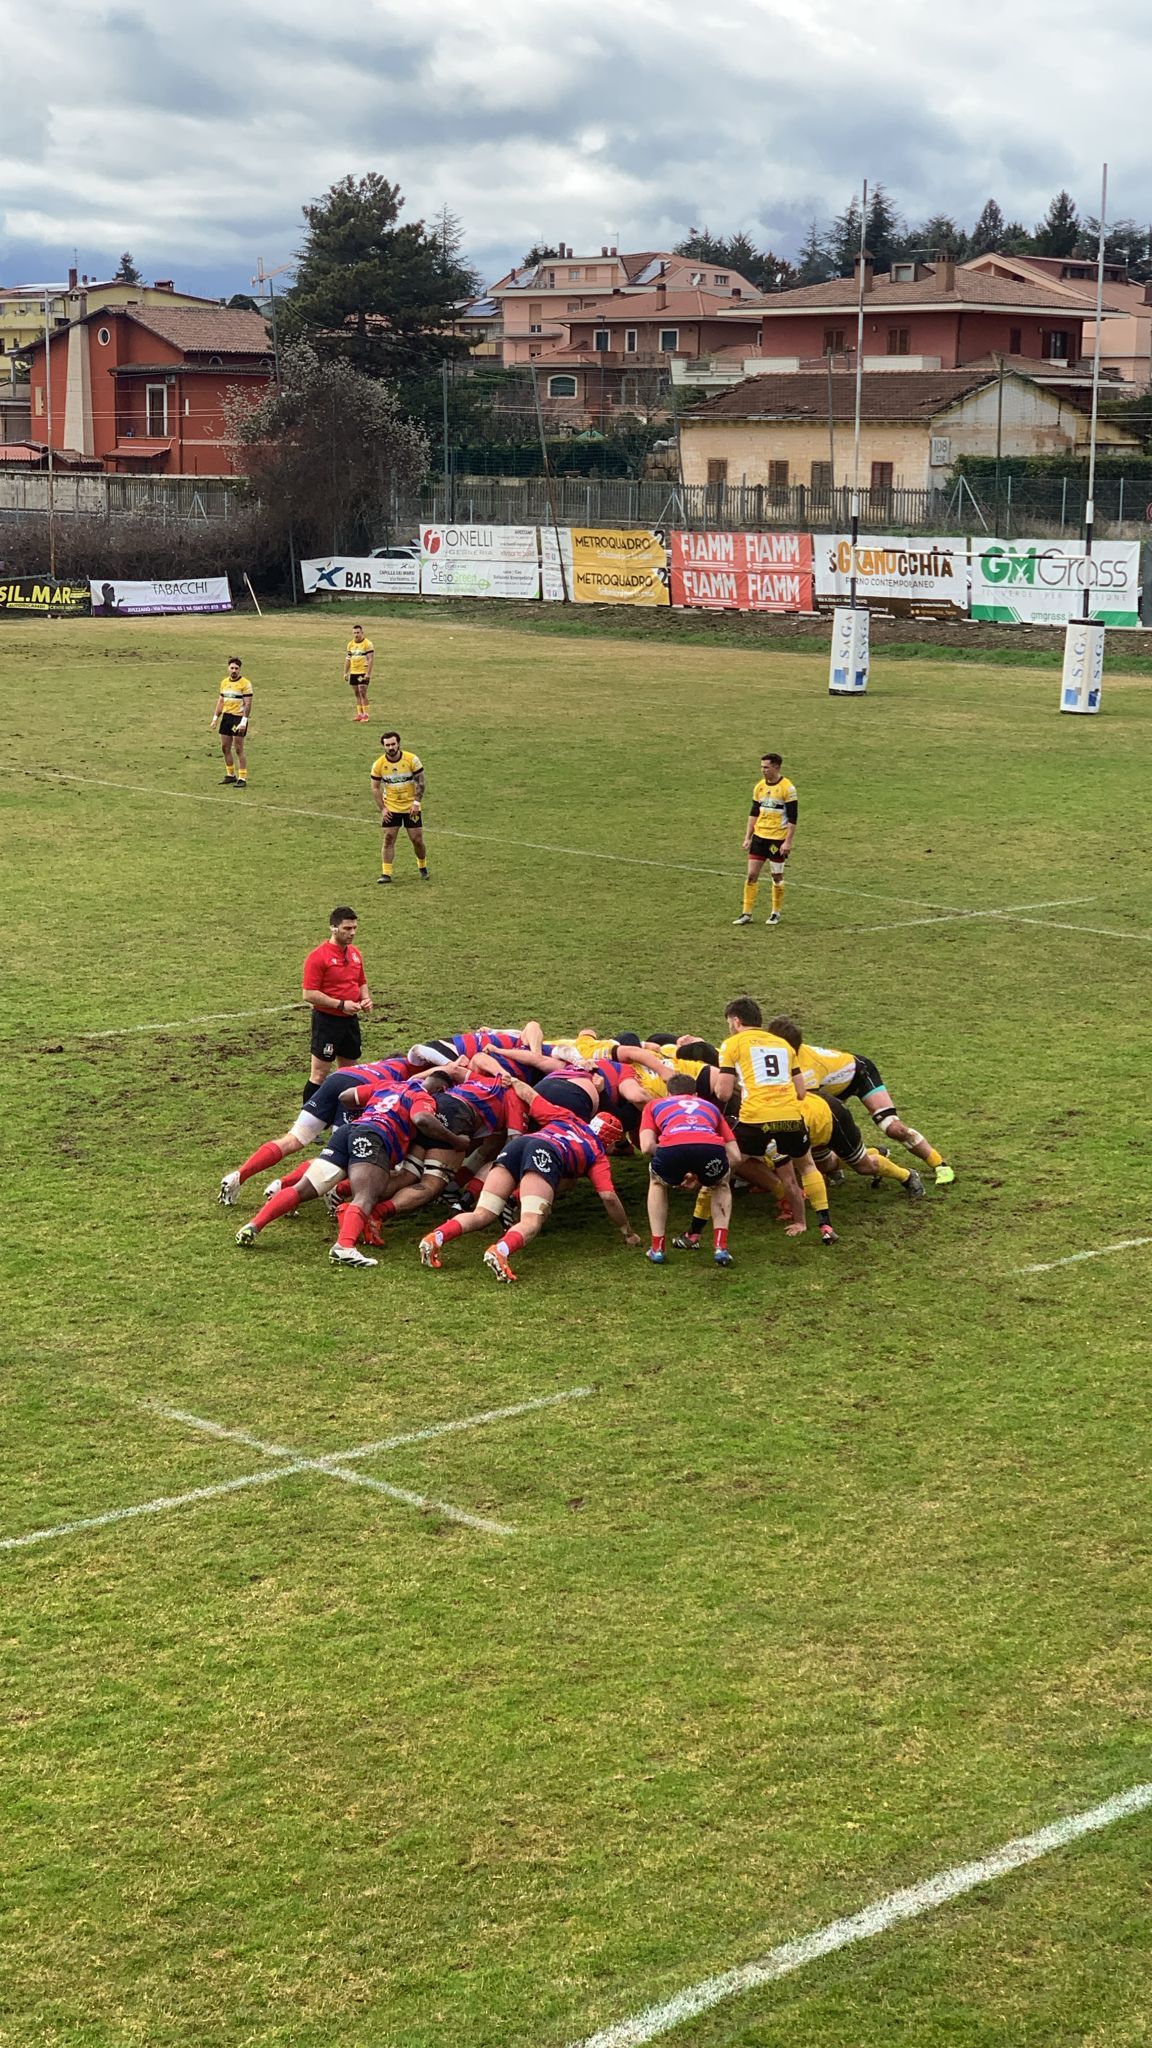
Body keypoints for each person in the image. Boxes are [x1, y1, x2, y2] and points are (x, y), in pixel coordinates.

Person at [418, 1112, 639, 1282]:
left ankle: (435, 1238)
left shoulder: (569, 1119)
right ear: (609, 1141)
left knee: (482, 1213)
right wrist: (627, 1231)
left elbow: (533, 1098)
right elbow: (608, 1196)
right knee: (532, 1221)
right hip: (545, 1152)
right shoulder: (597, 1153)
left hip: (520, 1144)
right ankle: (500, 1251)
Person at [712, 996, 837, 1244]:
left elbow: (723, 1093)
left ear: (735, 1021)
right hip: (789, 1117)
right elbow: (801, 1092)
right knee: (806, 1166)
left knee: (723, 1168)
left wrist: (730, 1086)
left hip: (755, 1119)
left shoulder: (732, 1044)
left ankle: (698, 1231)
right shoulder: (784, 1045)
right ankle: (819, 1224)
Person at [217, 1053, 419, 1206]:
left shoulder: (378, 1065)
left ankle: (238, 1176)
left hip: (338, 1078)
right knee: (340, 1156)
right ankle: (283, 1186)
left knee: (294, 1138)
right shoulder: (412, 1071)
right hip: (359, 1089)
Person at [774, 1018, 954, 1186]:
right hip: (827, 1091)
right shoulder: (783, 1056)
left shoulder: (807, 1069)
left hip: (859, 1075)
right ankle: (868, 1155)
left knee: (893, 1127)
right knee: (819, 1152)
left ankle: (939, 1164)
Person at [639, 1077, 741, 1266]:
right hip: (710, 1147)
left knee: (657, 1182)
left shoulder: (654, 1105)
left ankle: (657, 1248)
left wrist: (671, 1159)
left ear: (668, 1093)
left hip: (671, 1147)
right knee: (721, 1184)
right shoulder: (710, 1107)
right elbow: (735, 1156)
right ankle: (721, 1248)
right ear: (695, 1094)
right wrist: (704, 1175)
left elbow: (646, 1147)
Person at [301, 907, 373, 1099]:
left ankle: (344, 1113)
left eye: (354, 928)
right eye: (347, 928)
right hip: (327, 1022)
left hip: (350, 1021)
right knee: (319, 1074)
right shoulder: (318, 957)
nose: (352, 933)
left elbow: (361, 981)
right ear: (333, 928)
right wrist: (341, 1005)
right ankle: (309, 1115)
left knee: (350, 1072)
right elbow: (309, 994)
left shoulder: (355, 954)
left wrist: (365, 998)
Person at [733, 751, 797, 927]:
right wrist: (748, 837)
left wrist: (788, 841)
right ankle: (747, 913)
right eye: (761, 767)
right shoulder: (759, 787)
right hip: (759, 837)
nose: (763, 770)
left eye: (766, 767)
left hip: (777, 839)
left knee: (776, 876)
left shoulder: (787, 789)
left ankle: (775, 913)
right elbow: (754, 813)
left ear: (776, 767)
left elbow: (793, 818)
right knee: (751, 875)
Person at [371, 731, 428, 884]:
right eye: (387, 745)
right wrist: (383, 809)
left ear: (398, 744)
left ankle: (422, 866)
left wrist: (416, 803)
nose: (391, 747)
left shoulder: (412, 760)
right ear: (383, 746)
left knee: (417, 839)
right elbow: (375, 787)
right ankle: (386, 873)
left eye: (393, 744)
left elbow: (421, 782)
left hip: (411, 807)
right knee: (388, 838)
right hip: (392, 807)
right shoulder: (378, 765)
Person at [210, 657, 253, 787]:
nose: (234, 670)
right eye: (232, 668)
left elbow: (248, 704)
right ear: (228, 668)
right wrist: (215, 718)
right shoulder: (224, 682)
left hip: (238, 718)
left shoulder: (245, 684)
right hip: (227, 717)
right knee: (225, 747)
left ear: (240, 669)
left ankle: (242, 778)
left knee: (238, 748)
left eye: (236, 668)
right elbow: (221, 701)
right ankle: (230, 775)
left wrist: (243, 721)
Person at [344, 624, 375, 722]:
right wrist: (345, 672)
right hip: (354, 672)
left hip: (363, 671)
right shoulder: (350, 645)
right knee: (356, 692)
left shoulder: (367, 644)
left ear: (362, 633)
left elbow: (370, 659)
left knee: (362, 690)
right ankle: (359, 714)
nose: (356, 635)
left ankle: (366, 715)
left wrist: (368, 673)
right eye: (354, 633)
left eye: (358, 632)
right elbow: (348, 659)